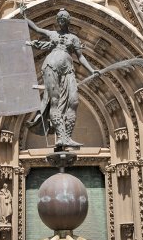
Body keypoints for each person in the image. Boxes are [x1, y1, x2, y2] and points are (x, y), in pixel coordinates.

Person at [25, 8, 98, 148]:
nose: (61, 19)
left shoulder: (73, 38)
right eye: (59, 18)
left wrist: (92, 70)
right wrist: (24, 16)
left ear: (68, 20)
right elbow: (36, 28)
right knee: (54, 101)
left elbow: (81, 56)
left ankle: (67, 137)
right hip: (51, 66)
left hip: (68, 70)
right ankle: (61, 137)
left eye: (63, 17)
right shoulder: (52, 34)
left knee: (74, 101)